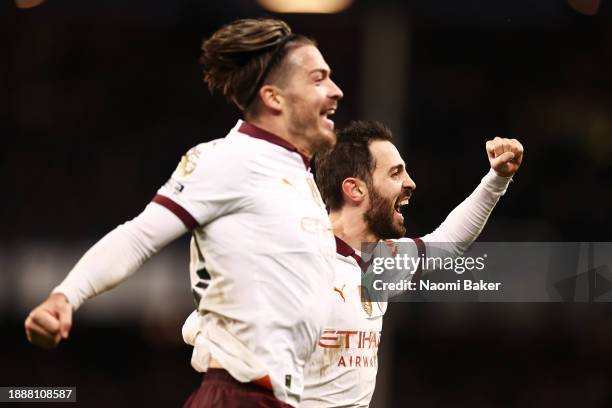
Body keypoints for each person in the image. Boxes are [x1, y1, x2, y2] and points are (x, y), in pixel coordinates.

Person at [24, 18, 343, 408]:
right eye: (318, 79)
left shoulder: (299, 176)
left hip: (278, 399)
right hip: (237, 398)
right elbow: (139, 236)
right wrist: (66, 296)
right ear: (274, 98)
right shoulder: (230, 159)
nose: (335, 90)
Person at [302, 120, 523, 406]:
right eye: (396, 174)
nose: (411, 183)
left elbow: (447, 242)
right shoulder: (302, 259)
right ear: (355, 189)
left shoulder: (379, 261)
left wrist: (496, 179)